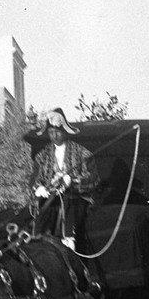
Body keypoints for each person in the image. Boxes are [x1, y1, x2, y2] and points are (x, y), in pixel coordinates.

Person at [30, 107, 97, 250]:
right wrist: (38, 188)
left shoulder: (82, 153)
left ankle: (69, 242)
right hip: (50, 199)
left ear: (65, 131)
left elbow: (93, 179)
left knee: (69, 204)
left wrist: (72, 180)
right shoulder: (42, 156)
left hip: (76, 198)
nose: (54, 136)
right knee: (40, 213)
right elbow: (35, 179)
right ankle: (38, 244)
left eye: (57, 132)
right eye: (51, 132)